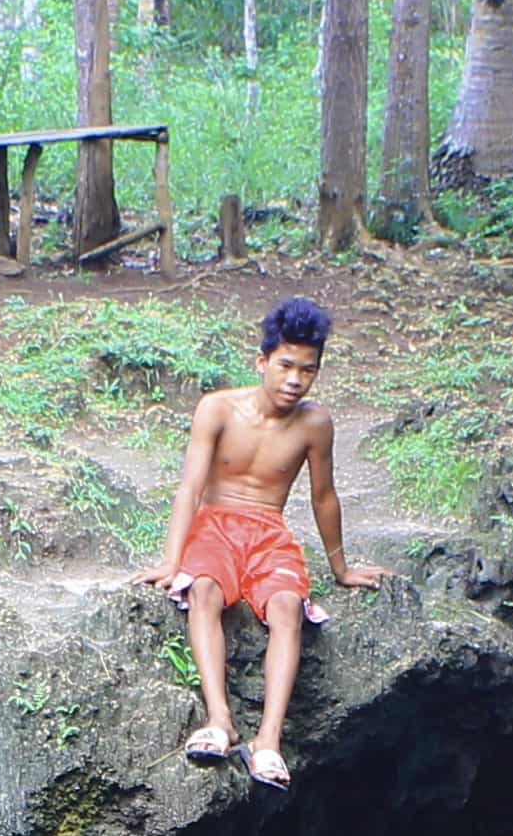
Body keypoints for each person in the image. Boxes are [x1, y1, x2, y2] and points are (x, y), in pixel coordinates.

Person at [146, 297, 389, 791]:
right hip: (215, 526)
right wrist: (172, 561)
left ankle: (269, 742)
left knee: (286, 606)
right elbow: (191, 487)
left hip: (269, 531)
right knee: (205, 590)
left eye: (308, 370)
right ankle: (220, 719)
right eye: (285, 365)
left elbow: (323, 497)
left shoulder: (314, 424)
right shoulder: (217, 409)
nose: (295, 380)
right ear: (262, 362)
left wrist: (341, 569)